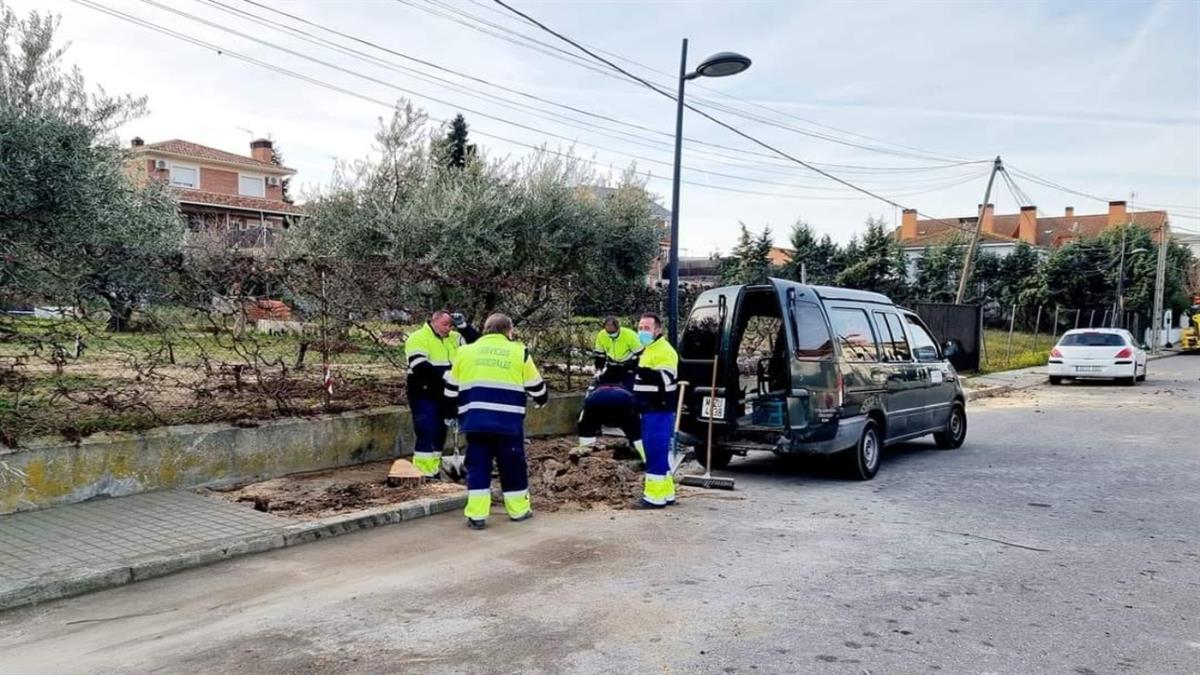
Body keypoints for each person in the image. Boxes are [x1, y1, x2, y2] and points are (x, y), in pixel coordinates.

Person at [444, 313, 549, 530]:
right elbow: (537, 388)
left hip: (476, 421)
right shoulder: (519, 351)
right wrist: (541, 400)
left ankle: (477, 515)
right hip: (508, 423)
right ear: (509, 331)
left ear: (485, 329)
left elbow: (450, 389)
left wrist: (449, 413)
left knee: (478, 465)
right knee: (512, 465)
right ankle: (519, 510)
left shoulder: (465, 351)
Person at [404, 310, 476, 478]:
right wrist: (445, 375)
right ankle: (424, 472)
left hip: (448, 393)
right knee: (427, 430)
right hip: (424, 392)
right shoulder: (418, 338)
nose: (448, 329)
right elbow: (419, 366)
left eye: (451, 325)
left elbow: (476, 345)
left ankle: (433, 469)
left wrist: (464, 327)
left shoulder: (455, 338)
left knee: (440, 432)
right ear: (433, 321)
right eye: (445, 324)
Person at [631, 312, 680, 509]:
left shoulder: (664, 351)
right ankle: (667, 493)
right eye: (640, 328)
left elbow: (666, 380)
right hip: (650, 410)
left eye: (646, 328)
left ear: (657, 330)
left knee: (654, 451)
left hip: (658, 410)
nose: (642, 331)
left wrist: (641, 372)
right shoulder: (648, 349)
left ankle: (654, 497)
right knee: (658, 452)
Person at [573, 363, 642, 460]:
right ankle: (642, 456)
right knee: (636, 428)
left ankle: (585, 451)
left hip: (595, 401)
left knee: (585, 422)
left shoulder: (597, 381)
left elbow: (586, 400)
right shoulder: (631, 380)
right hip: (623, 402)